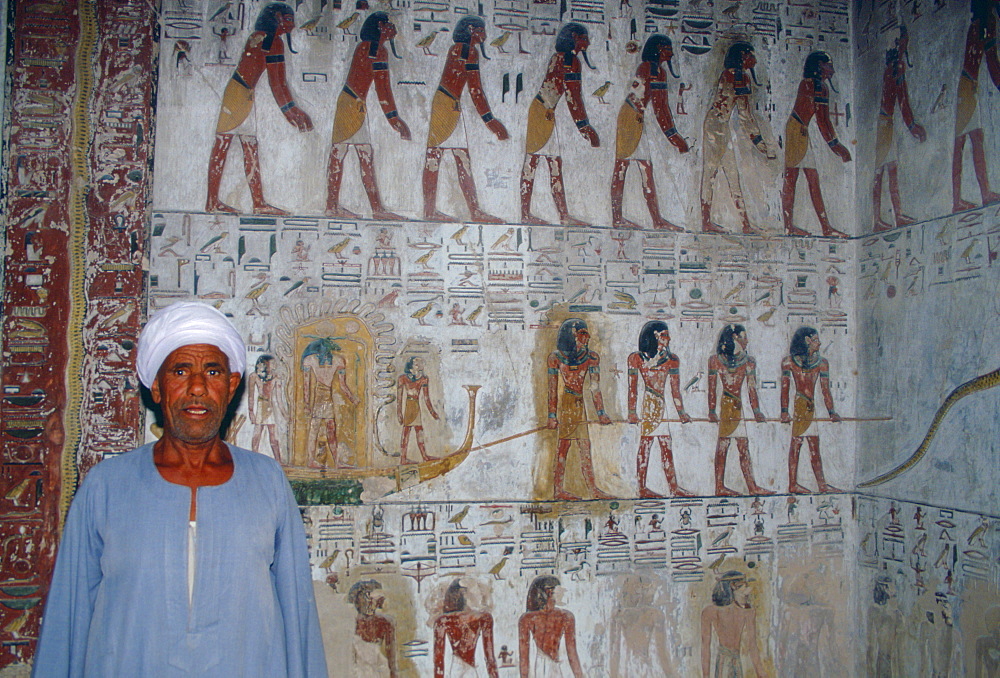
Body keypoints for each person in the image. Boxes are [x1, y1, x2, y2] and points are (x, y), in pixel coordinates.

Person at [32, 301, 327, 676]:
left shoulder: (267, 482)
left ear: (232, 385)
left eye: (213, 371)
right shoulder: (106, 487)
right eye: (181, 370)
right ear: (157, 386)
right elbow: (68, 619)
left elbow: (298, 620)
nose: (198, 387)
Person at [206, 3, 313, 215]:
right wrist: (291, 111)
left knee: (249, 147)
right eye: (289, 19)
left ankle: (257, 203)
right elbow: (277, 83)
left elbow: (279, 83)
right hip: (238, 95)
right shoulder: (270, 40)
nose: (293, 25)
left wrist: (292, 111)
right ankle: (213, 202)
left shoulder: (265, 38)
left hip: (242, 93)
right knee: (224, 144)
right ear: (277, 19)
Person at [423, 16, 509, 223]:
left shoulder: (461, 50)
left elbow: (474, 89)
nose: (485, 35)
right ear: (471, 30)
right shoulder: (467, 51)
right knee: (438, 156)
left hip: (448, 103)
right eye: (481, 30)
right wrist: (490, 121)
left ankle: (470, 211)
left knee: (457, 157)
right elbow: (475, 90)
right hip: (447, 104)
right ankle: (433, 211)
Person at [327, 12, 410, 220]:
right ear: (380, 26)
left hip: (353, 104)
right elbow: (383, 89)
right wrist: (394, 120)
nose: (393, 28)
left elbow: (382, 89)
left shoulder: (373, 49)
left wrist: (394, 119)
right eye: (388, 24)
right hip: (350, 104)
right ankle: (334, 206)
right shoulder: (373, 49)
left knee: (361, 155)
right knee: (344, 152)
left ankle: (374, 209)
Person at [521, 23, 599, 226]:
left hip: (543, 111)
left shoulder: (564, 59)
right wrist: (585, 127)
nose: (588, 43)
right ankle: (527, 215)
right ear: (574, 38)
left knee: (552, 163)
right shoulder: (568, 61)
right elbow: (574, 98)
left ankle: (562, 216)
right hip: (542, 112)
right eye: (584, 38)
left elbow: (572, 97)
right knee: (535, 161)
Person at [611, 34, 689, 231]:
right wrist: (674, 137)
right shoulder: (654, 70)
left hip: (631, 115)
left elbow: (660, 107)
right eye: (668, 49)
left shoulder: (650, 68)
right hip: (632, 117)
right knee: (626, 167)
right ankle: (624, 219)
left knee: (640, 168)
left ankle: (654, 221)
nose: (671, 53)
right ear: (659, 50)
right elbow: (661, 108)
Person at [700, 42, 775, 234]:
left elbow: (744, 113)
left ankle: (745, 224)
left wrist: (759, 142)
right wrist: (760, 143)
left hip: (721, 126)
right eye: (750, 54)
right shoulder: (733, 75)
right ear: (742, 56)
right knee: (710, 173)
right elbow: (742, 113)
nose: (754, 59)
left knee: (733, 175)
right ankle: (706, 223)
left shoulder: (742, 77)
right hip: (714, 126)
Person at [780, 51, 852, 238]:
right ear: (820, 66)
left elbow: (823, 120)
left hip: (799, 130)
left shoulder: (817, 86)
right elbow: (822, 121)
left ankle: (823, 227)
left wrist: (835, 145)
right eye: (829, 66)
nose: (833, 71)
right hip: (797, 130)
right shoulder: (812, 86)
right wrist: (836, 146)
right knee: (794, 177)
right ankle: (791, 226)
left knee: (809, 178)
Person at [546, 318, 613, 500]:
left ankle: (593, 489)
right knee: (563, 448)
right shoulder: (556, 358)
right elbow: (553, 389)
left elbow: (594, 388)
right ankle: (558, 490)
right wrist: (552, 415)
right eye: (583, 333)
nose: (587, 336)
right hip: (567, 406)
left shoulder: (591, 358)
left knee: (585, 447)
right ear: (572, 335)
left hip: (579, 405)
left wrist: (601, 413)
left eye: (586, 333)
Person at [626, 321, 694, 498]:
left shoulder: (672, 360)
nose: (668, 338)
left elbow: (675, 390)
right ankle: (642, 488)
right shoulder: (636, 358)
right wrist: (632, 413)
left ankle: (673, 488)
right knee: (645, 445)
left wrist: (681, 413)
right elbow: (632, 388)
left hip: (660, 406)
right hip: (649, 405)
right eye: (664, 335)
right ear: (655, 336)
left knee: (666, 446)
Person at [707, 324, 773, 496]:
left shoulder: (748, 362)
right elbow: (712, 388)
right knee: (724, 447)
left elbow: (752, 389)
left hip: (737, 408)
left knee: (742, 447)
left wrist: (757, 410)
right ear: (735, 338)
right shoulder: (715, 361)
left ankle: (751, 486)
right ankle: (720, 487)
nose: (747, 340)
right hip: (727, 408)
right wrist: (712, 411)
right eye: (743, 336)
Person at [873, 26, 926, 232]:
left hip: (886, 123)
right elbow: (902, 99)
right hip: (886, 123)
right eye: (903, 41)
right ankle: (881, 219)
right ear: (897, 44)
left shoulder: (894, 67)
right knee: (884, 172)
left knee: (887, 171)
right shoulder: (895, 68)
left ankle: (892, 216)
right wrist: (912, 126)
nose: (906, 44)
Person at [780, 326, 843, 494]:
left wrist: (832, 412)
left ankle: (821, 484)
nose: (819, 343)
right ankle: (794, 484)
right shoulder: (789, 362)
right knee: (797, 444)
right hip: (800, 405)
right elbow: (785, 388)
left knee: (813, 446)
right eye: (815, 340)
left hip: (810, 406)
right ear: (807, 342)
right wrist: (784, 411)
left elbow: (825, 390)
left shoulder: (822, 363)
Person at [953, 0, 1000, 213]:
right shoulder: (985, 23)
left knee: (967, 140)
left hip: (967, 86)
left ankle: (968, 197)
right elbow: (991, 61)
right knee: (969, 139)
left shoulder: (977, 23)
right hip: (968, 87)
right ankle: (976, 196)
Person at [301, 337, 359, 469]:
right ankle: (311, 460)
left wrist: (352, 398)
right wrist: (306, 404)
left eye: (328, 349)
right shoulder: (310, 360)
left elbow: (343, 385)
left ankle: (337, 461)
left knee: (330, 430)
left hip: (327, 397)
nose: (326, 352)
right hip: (319, 397)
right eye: (323, 349)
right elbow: (306, 384)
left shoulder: (338, 360)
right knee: (314, 428)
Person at [700, 570, 767, 678]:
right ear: (732, 587)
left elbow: (752, 645)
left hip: (737, 661)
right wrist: (706, 676)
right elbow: (705, 647)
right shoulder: (711, 611)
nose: (747, 594)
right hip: (723, 663)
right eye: (743, 588)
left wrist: (761, 673)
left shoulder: (748, 612)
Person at [432, 578, 499, 678]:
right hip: (462, 667)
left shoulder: (443, 621)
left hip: (458, 667)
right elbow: (490, 659)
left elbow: (439, 662)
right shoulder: (483, 618)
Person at [518, 576, 583, 678]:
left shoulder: (566, 616)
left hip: (549, 667)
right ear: (549, 592)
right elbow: (524, 658)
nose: (563, 592)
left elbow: (572, 653)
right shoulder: (528, 618)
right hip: (542, 667)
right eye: (559, 589)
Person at [349, 579, 398, 677]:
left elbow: (391, 655)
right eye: (365, 597)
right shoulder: (351, 623)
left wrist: (393, 674)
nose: (370, 602)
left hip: (379, 670)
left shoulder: (385, 622)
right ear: (357, 601)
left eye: (372, 598)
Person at [397, 356, 440, 463]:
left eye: (420, 363)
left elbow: (426, 398)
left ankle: (424, 456)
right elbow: (399, 397)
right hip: (409, 406)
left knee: (419, 431)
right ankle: (403, 458)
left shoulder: (423, 379)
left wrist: (432, 412)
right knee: (406, 431)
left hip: (416, 407)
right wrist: (399, 412)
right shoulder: (403, 378)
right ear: (411, 366)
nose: (420, 365)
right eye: (417, 363)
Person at [248, 353, 286, 462]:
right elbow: (251, 395)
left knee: (273, 437)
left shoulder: (276, 377)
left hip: (269, 408)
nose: (275, 365)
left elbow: (279, 398)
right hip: (260, 407)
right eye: (272, 363)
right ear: (266, 364)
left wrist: (284, 414)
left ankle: (278, 460)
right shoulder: (254, 376)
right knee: (257, 434)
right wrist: (251, 412)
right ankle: (253, 458)